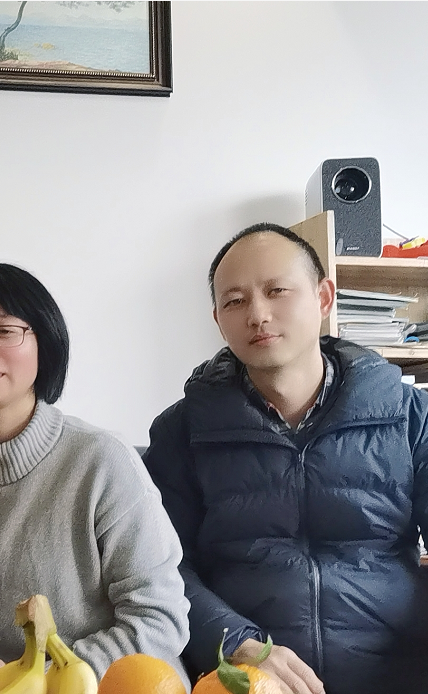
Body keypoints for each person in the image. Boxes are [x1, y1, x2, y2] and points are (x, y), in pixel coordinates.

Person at [143, 223, 428, 694]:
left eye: (277, 291)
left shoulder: (409, 416)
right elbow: (161, 567)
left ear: (323, 297)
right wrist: (236, 643)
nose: (258, 314)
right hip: (245, 679)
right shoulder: (183, 431)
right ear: (218, 319)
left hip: (397, 673)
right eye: (235, 301)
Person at [0, 262, 190, 693]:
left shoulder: (102, 461)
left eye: (5, 330)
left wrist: (43, 680)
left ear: (43, 343)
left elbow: (159, 617)